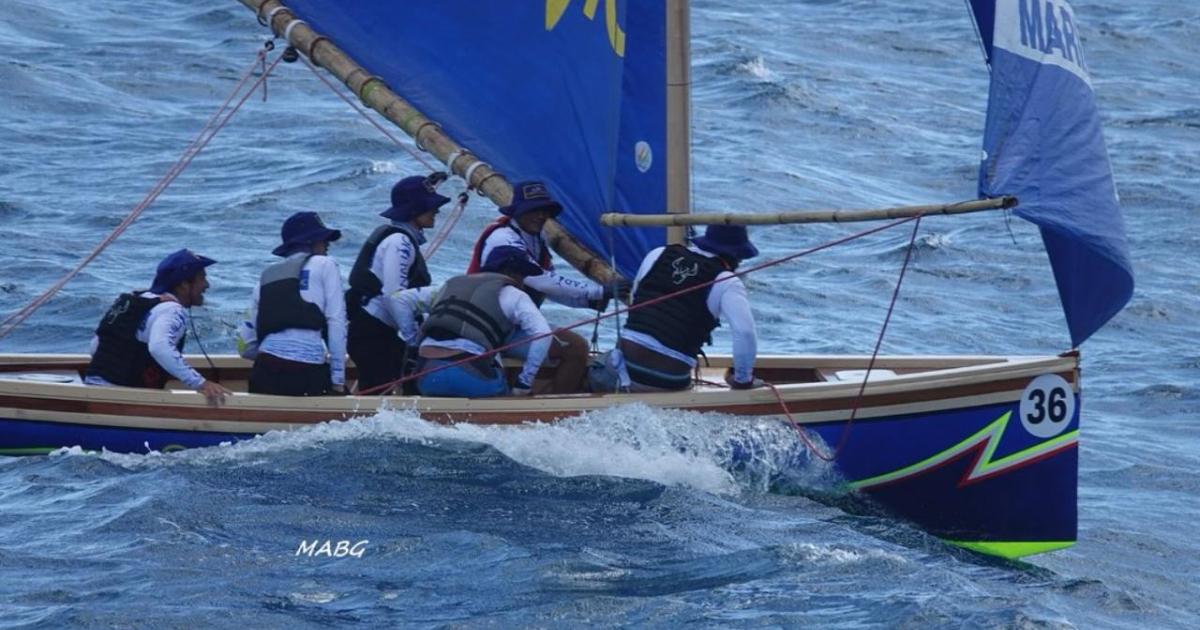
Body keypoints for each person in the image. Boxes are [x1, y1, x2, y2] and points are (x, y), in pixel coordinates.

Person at [466, 180, 628, 393]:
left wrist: (591, 300)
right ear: (517, 212)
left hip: (507, 325)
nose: (540, 216)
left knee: (568, 346)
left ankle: (542, 396)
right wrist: (598, 291)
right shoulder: (502, 238)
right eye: (533, 210)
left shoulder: (536, 239)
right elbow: (540, 279)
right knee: (576, 348)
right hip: (488, 329)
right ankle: (560, 409)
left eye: (544, 211)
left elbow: (548, 286)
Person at [612, 225, 763, 392]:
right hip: (665, 380)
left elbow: (634, 300)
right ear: (735, 256)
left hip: (620, 368)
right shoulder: (727, 281)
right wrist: (742, 380)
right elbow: (745, 333)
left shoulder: (658, 253)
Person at [395, 246, 552, 398]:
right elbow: (543, 334)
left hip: (425, 374)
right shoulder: (515, 294)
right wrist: (523, 384)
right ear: (510, 272)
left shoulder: (448, 286)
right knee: (504, 393)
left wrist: (413, 342)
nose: (523, 283)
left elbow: (399, 299)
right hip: (469, 376)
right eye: (522, 276)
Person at [85, 248, 231, 406]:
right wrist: (201, 383)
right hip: (123, 399)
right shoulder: (172, 310)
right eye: (202, 278)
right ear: (184, 284)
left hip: (93, 386)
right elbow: (160, 347)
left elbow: (96, 347)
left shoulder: (135, 301)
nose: (206, 285)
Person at [345, 173, 449, 393]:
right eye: (430, 207)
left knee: (383, 388)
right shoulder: (399, 242)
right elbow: (395, 297)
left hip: (377, 332)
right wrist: (413, 342)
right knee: (379, 392)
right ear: (414, 211)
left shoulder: (402, 239)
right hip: (372, 333)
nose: (436, 211)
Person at [237, 211, 348, 396]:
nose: (327, 244)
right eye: (323, 239)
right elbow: (337, 321)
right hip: (306, 372)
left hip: (264, 371)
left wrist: (274, 357)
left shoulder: (265, 278)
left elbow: (246, 344)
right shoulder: (325, 264)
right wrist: (338, 380)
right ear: (310, 242)